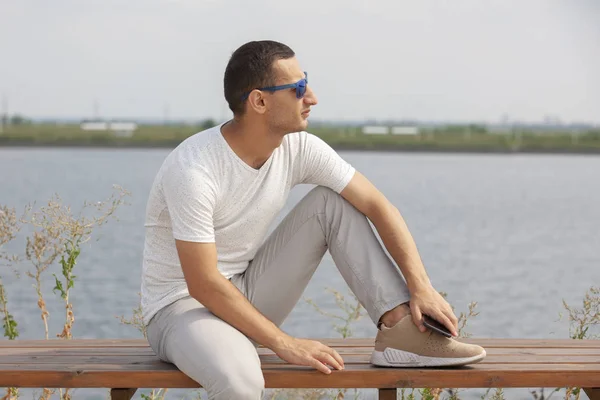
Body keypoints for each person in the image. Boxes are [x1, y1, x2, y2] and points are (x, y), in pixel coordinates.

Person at [140, 40, 486, 399]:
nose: (312, 98)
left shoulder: (298, 148)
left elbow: (379, 206)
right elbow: (204, 283)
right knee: (240, 380)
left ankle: (400, 334)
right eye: (298, 89)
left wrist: (421, 287)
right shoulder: (194, 169)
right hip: (182, 310)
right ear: (259, 101)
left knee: (330, 202)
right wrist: (284, 343)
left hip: (247, 292)